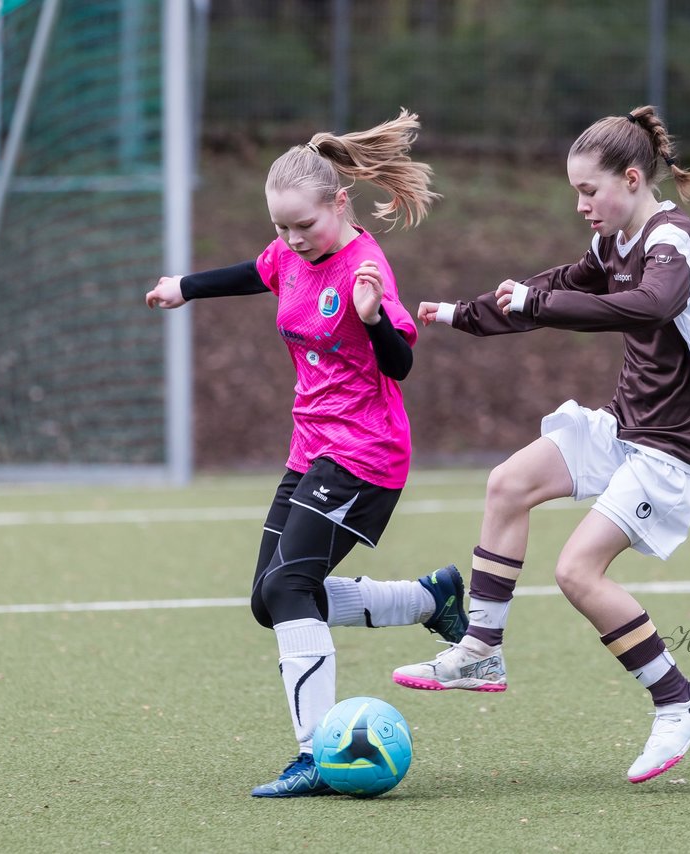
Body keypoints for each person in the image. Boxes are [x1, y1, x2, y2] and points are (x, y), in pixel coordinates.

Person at [392, 106, 690, 784]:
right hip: (626, 425)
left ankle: (680, 700)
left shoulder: (673, 241)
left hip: (672, 445)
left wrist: (534, 306)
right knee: (508, 484)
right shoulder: (613, 244)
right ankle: (481, 649)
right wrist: (466, 314)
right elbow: (553, 289)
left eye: (588, 190)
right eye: (574, 191)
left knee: (578, 572)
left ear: (632, 179)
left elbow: (647, 307)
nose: (580, 204)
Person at [145, 110, 463, 798]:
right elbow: (253, 271)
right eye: (282, 228)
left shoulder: (365, 267)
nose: (292, 241)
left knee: (289, 588)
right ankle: (427, 598)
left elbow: (401, 366)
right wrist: (184, 288)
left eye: (304, 226)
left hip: (365, 454)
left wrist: (375, 320)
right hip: (312, 448)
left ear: (338, 204)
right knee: (271, 600)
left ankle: (317, 755)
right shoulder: (290, 252)